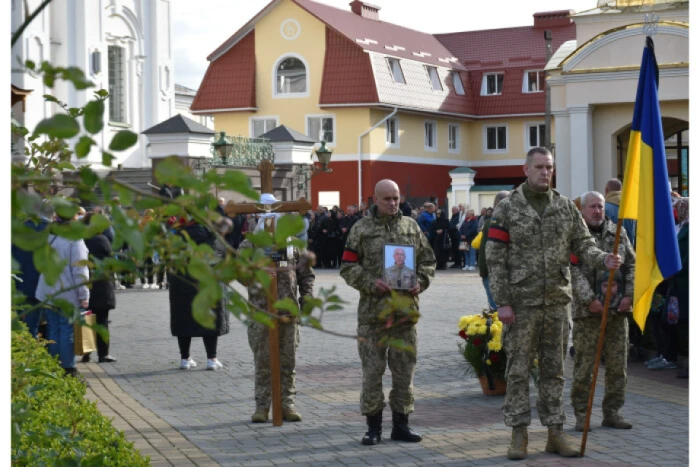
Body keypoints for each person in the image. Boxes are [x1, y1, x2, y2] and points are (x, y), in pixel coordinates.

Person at [485, 147, 622, 460]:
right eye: (539, 167)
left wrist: (604, 259)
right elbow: (494, 259)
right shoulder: (507, 208)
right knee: (518, 370)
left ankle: (555, 433)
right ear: (526, 169)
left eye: (549, 167)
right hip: (521, 305)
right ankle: (518, 435)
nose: (545, 172)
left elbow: (584, 245)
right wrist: (502, 302)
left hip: (557, 303)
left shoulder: (565, 207)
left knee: (555, 372)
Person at [340, 179, 436, 446]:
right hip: (373, 317)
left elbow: (428, 261)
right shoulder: (361, 229)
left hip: (405, 316)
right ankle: (373, 427)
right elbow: (347, 266)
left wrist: (421, 281)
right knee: (372, 373)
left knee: (404, 373)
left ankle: (401, 425)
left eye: (396, 198)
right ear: (375, 200)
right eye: (387, 199)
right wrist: (371, 283)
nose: (393, 203)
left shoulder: (411, 226)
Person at [240, 212, 315, 423]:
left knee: (287, 361)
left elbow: (306, 273)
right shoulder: (250, 245)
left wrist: (307, 297)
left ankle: (287, 404)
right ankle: (262, 406)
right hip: (261, 312)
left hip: (288, 313)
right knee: (263, 361)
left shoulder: (293, 244)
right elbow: (240, 275)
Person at [569, 191, 635, 431]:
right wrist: (588, 300)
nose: (598, 211)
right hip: (588, 315)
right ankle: (581, 414)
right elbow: (572, 271)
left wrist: (629, 294)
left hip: (617, 312)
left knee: (618, 366)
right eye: (593, 207)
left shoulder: (618, 233)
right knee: (585, 367)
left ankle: (612, 412)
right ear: (583, 210)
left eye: (601, 206)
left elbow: (631, 264)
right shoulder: (576, 235)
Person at [169, 219, 229, 371]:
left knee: (183, 321)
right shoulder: (214, 239)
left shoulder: (177, 239)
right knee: (210, 320)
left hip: (181, 288)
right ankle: (211, 359)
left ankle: (185, 358)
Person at [35, 213, 91, 377]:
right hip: (67, 292)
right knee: (67, 330)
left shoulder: (48, 236)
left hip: (48, 290)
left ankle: (54, 366)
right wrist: (84, 295)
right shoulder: (75, 239)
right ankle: (68, 368)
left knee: (53, 329)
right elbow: (80, 269)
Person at [12, 200, 53, 338]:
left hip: (23, 282)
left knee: (25, 325)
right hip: (48, 283)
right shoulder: (52, 230)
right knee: (54, 326)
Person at [81, 213, 118, 363]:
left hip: (86, 283)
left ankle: (86, 351)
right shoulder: (101, 240)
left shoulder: (82, 240)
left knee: (87, 317)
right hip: (102, 284)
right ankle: (103, 353)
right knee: (102, 320)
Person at [476, 191, 510, 310]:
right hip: (493, 272)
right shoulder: (492, 223)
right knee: (497, 310)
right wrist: (484, 271)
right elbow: (486, 248)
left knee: (497, 309)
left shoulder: (490, 222)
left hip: (500, 272)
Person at [604, 178, 636, 248]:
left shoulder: (602, 208)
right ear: (621, 190)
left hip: (611, 254)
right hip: (630, 253)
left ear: (606, 190)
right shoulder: (632, 207)